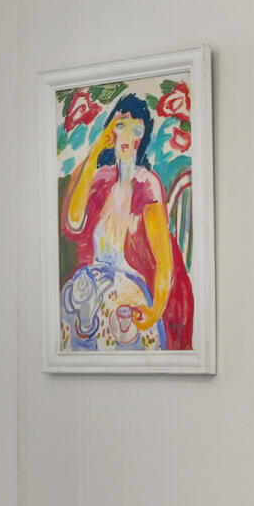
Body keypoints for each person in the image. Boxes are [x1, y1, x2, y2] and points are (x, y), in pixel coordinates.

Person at [60, 91, 194, 351]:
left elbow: (164, 262)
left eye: (136, 130)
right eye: (121, 126)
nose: (127, 137)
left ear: (143, 138)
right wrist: (97, 149)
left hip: (129, 289)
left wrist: (155, 311)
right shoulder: (102, 177)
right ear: (111, 130)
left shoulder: (148, 184)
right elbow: (74, 221)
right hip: (93, 284)